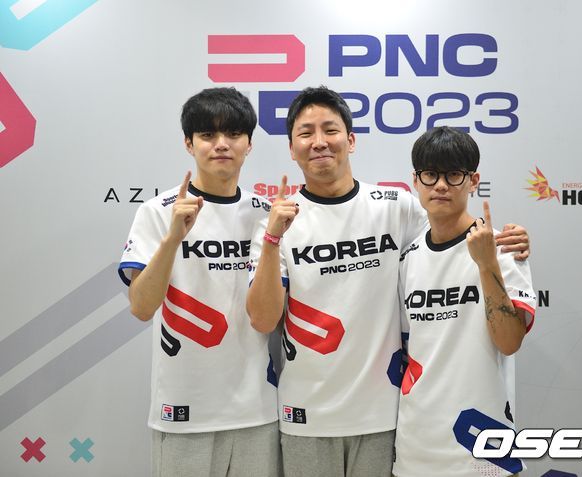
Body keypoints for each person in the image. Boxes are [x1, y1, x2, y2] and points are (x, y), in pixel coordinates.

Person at [246, 86, 530, 477]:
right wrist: (272, 238)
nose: (319, 141)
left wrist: (504, 242)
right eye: (306, 133)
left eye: (330, 129)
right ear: (291, 148)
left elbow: (449, 227)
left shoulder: (396, 207)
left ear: (351, 140)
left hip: (386, 417)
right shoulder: (277, 223)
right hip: (307, 414)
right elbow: (263, 319)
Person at [118, 87, 280, 477]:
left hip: (256, 409)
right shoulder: (159, 212)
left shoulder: (266, 214)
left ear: (249, 144)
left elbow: (270, 314)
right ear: (189, 144)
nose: (221, 144)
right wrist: (174, 238)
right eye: (208, 134)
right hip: (183, 410)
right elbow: (141, 307)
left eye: (233, 134)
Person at [393, 126, 536, 477]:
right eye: (430, 174)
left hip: (484, 451)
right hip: (416, 449)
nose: (441, 185)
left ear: (473, 181)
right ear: (416, 181)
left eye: (453, 174)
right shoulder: (407, 258)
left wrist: (486, 265)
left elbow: (509, 342)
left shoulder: (504, 249)